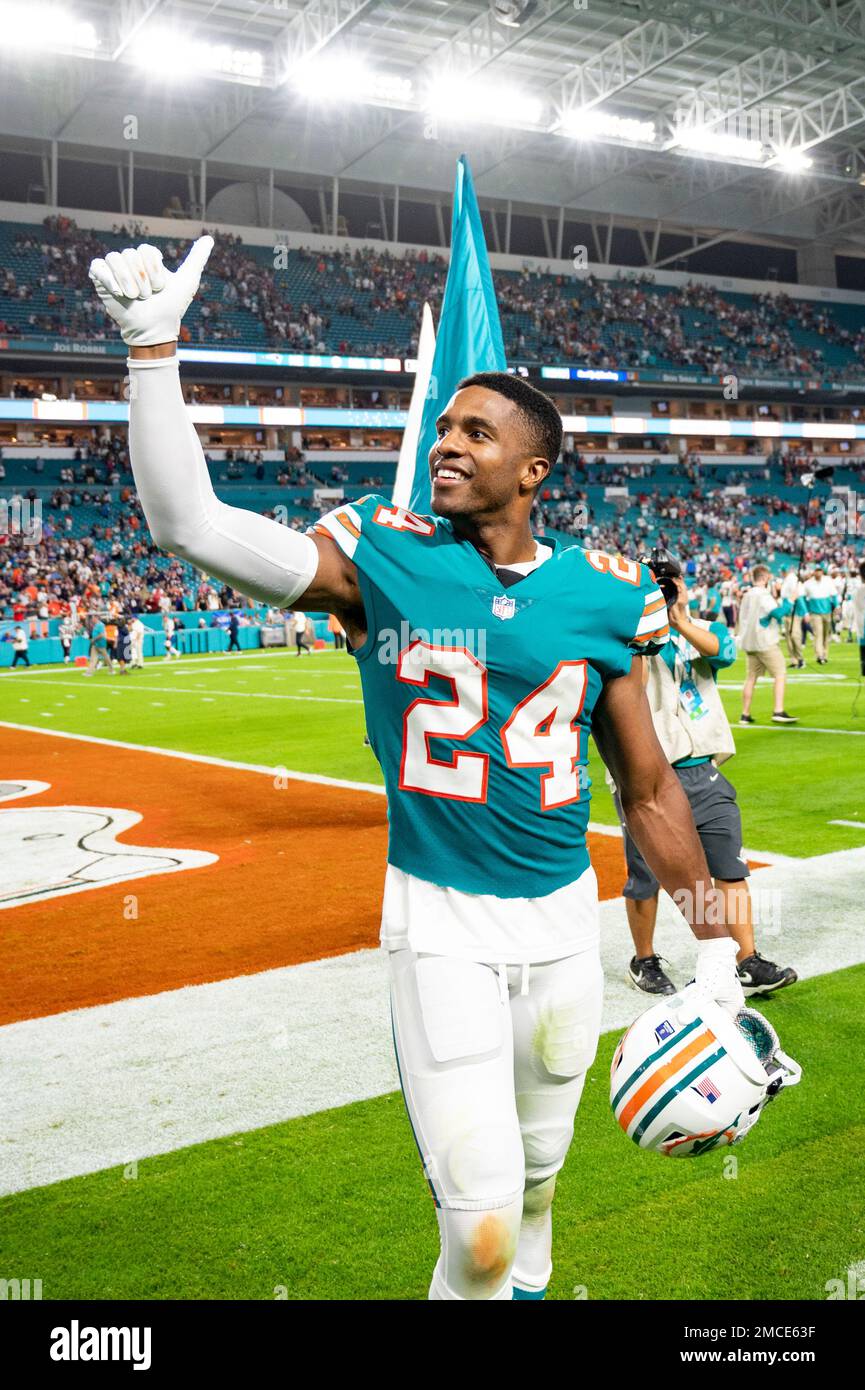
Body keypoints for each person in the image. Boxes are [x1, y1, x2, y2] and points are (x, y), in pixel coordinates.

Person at [91, 235, 748, 1304]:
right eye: (442, 426)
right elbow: (189, 525)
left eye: (474, 432)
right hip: (439, 924)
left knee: (535, 1195)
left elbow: (649, 790)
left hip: (557, 933)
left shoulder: (599, 591)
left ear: (534, 470)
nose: (444, 443)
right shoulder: (383, 555)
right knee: (481, 1225)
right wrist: (150, 349)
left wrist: (714, 941)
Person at [610, 569, 797, 999]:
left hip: (703, 769)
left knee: (729, 870)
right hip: (645, 772)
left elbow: (723, 652)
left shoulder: (703, 629)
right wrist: (646, 619)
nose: (663, 588)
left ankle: (745, 961)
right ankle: (644, 958)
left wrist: (676, 619)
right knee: (645, 875)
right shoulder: (621, 636)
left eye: (668, 581)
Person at [737, 566, 796, 725]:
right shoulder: (763, 595)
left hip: (749, 642)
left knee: (750, 678)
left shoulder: (747, 595)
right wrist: (790, 600)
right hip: (764, 641)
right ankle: (778, 710)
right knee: (780, 673)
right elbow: (777, 614)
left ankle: (745, 714)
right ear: (764, 578)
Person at [804, 565, 837, 665]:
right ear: (813, 572)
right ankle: (820, 655)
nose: (818, 573)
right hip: (815, 613)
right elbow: (804, 598)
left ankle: (825, 654)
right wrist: (806, 611)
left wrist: (837, 606)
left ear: (822, 572)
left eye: (820, 570)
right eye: (816, 571)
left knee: (826, 634)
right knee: (818, 634)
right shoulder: (808, 584)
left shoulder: (828, 581)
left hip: (827, 612)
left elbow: (834, 594)